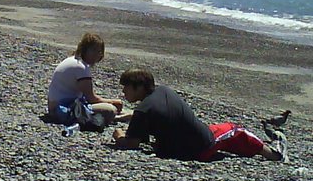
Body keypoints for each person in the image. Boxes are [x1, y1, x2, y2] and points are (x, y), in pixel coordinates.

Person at [112, 69, 284, 162]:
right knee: (235, 130)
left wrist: (119, 135)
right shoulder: (164, 91)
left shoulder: (144, 110)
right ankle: (273, 153)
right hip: (199, 147)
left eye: (126, 87)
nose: (123, 91)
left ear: (139, 87)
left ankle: (274, 154)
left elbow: (132, 142)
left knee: (232, 134)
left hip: (191, 149)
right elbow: (135, 142)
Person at [46, 33, 124, 125]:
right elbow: (91, 99)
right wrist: (113, 102)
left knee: (109, 107)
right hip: (64, 109)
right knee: (111, 110)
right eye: (93, 50)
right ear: (84, 49)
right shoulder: (81, 68)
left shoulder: (72, 61)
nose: (97, 55)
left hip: (56, 106)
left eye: (99, 52)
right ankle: (115, 118)